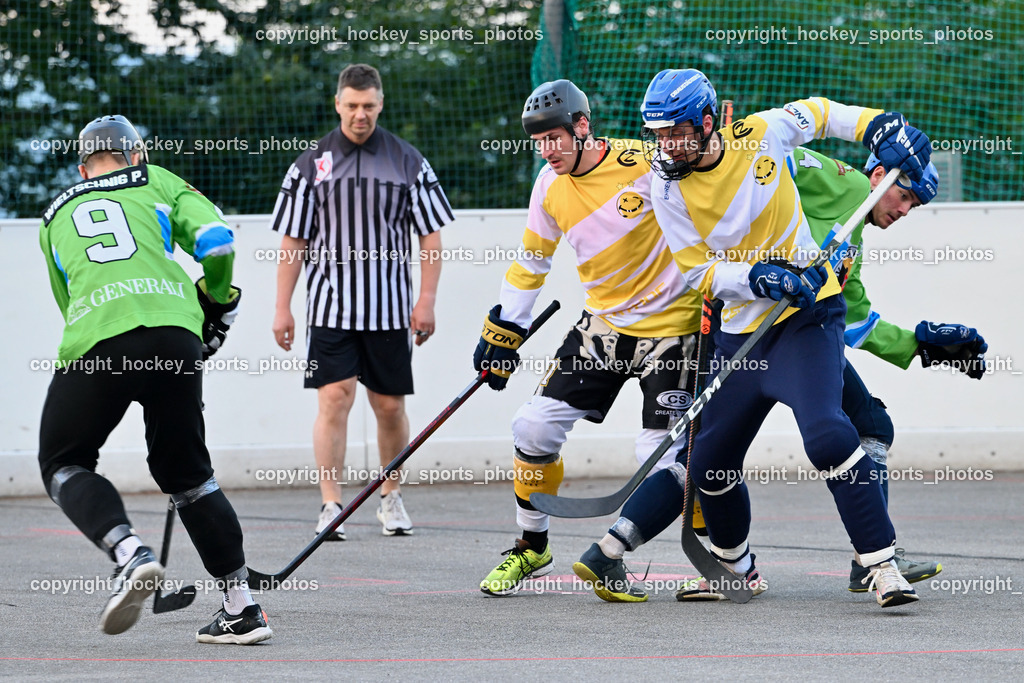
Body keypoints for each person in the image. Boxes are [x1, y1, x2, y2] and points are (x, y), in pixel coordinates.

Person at [574, 68, 933, 609]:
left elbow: (820, 111)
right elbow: (697, 271)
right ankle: (733, 568)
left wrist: (875, 126)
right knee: (709, 465)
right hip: (741, 334)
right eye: (659, 134)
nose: (668, 146)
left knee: (827, 434)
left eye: (678, 132)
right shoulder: (665, 185)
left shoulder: (761, 133)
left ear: (710, 121)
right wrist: (757, 277)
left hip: (806, 323)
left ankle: (882, 566)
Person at [38, 115, 270, 643]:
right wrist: (213, 301)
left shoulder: (55, 214)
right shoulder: (157, 180)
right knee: (188, 474)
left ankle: (128, 553)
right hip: (173, 335)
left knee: (64, 462)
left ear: (83, 168)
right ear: (135, 155)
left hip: (99, 338)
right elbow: (215, 241)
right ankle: (242, 607)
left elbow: (69, 302)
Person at [474, 79, 702, 598]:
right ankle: (532, 546)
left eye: (554, 138)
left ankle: (629, 556)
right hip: (602, 329)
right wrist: (503, 333)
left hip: (675, 333)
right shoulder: (548, 186)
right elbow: (532, 261)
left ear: (583, 126)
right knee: (531, 428)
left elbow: (715, 206)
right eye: (537, 142)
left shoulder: (648, 162)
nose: (546, 152)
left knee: (661, 462)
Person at [790, 146, 986, 592]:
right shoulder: (849, 183)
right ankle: (617, 544)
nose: (905, 209)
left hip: (805, 340)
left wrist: (926, 346)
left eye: (915, 205)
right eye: (906, 196)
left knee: (873, 425)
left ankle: (871, 557)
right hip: (751, 331)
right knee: (709, 450)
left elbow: (856, 323)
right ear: (880, 174)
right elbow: (777, 149)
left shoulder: (852, 242)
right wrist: (729, 150)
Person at [270, 64, 453, 539]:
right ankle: (331, 504)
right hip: (331, 308)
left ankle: (390, 495)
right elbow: (293, 242)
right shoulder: (310, 163)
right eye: (351, 105)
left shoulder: (406, 159)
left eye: (368, 105)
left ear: (380, 103)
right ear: (337, 104)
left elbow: (430, 239)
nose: (360, 114)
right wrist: (282, 307)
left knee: (389, 406)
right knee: (334, 398)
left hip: (390, 310)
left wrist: (425, 301)